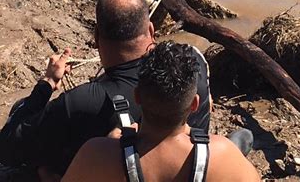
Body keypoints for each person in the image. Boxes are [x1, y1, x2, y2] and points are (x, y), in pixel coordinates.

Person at [0, 0, 210, 177]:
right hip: (189, 168)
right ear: (151, 30)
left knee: (23, 116)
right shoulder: (193, 64)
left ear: (96, 37)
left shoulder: (83, 103)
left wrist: (47, 83)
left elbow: (6, 150)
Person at [62, 42, 261, 182]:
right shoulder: (222, 154)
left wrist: (113, 144)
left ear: (137, 97)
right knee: (244, 137)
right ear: (194, 104)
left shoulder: (97, 153)